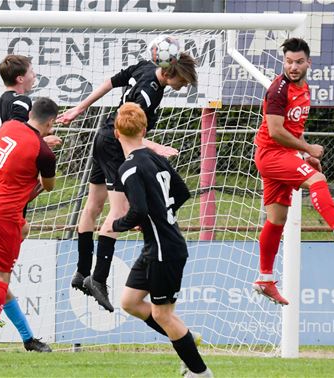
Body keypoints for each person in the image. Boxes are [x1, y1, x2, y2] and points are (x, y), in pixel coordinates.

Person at [57, 47, 197, 312]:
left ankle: (81, 270)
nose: (183, 85)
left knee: (93, 206)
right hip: (115, 144)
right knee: (119, 211)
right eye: (182, 81)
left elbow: (110, 83)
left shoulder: (144, 66)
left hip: (103, 137)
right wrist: (156, 147)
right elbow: (130, 131)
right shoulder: (148, 93)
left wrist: (79, 108)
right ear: (169, 73)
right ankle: (98, 278)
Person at [252, 38, 334, 306]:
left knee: (276, 219)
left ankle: (265, 278)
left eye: (298, 62)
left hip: (282, 155)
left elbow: (293, 129)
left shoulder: (303, 88)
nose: (293, 67)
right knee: (318, 179)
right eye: (288, 62)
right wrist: (308, 148)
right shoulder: (278, 90)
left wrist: (304, 154)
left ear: (308, 62)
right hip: (272, 155)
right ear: (283, 62)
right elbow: (276, 131)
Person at [108, 103, 213, 378]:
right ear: (144, 130)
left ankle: (200, 373)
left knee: (163, 315)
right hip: (157, 245)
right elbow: (182, 192)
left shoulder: (129, 168)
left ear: (116, 133)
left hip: (164, 249)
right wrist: (162, 216)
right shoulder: (156, 158)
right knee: (130, 302)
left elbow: (138, 210)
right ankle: (185, 339)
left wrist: (118, 224)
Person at [0, 54, 58, 353]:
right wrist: (43, 147)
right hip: (8, 194)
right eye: (32, 71)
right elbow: (41, 174)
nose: (34, 75)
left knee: (19, 232)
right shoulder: (21, 104)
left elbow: (5, 139)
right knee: (2, 278)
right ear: (20, 79)